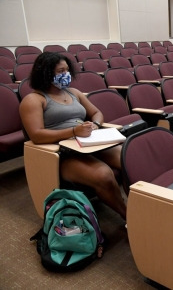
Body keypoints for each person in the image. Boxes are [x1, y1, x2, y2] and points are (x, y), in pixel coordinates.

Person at [19, 52, 127, 219]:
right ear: (46, 73)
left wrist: (95, 125)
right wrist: (73, 132)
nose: (66, 74)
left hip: (87, 141)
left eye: (67, 70)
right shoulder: (33, 100)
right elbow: (37, 135)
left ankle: (142, 204)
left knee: (128, 159)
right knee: (104, 175)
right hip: (61, 153)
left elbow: (96, 112)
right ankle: (128, 216)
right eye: (60, 71)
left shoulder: (74, 93)